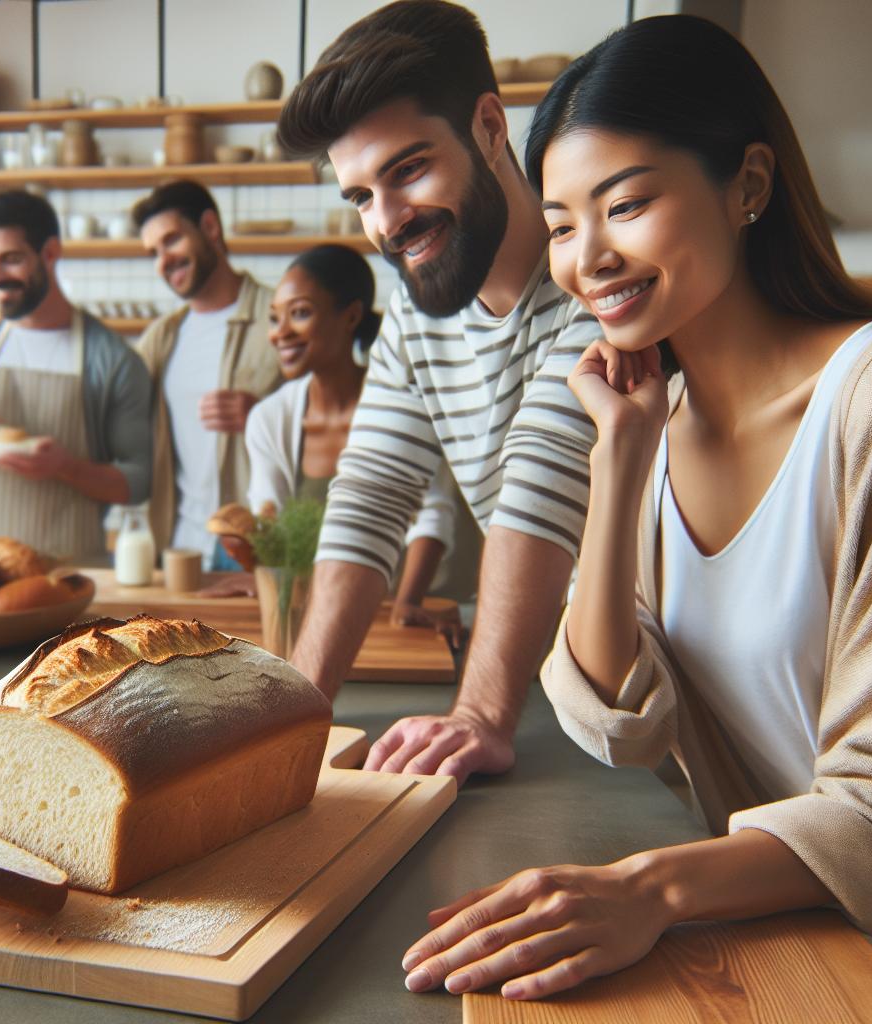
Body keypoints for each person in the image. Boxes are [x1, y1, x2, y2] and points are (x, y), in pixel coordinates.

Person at [399, 17, 872, 1024]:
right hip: (799, 939)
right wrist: (619, 461)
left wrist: (648, 887)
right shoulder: (647, 424)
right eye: (564, 223)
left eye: (628, 203)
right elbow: (610, 717)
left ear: (748, 184)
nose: (588, 257)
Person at [275, 0, 601, 782]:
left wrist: (480, 713)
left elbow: (539, 492)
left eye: (408, 170)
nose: (387, 223)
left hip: (663, 714)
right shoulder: (420, 321)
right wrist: (294, 710)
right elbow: (371, 497)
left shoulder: (598, 288)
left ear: (491, 128)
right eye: (359, 196)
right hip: (581, 705)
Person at [207, 244, 463, 639]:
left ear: (351, 316)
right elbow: (271, 519)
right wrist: (260, 569)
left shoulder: (404, 404)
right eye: (275, 319)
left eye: (301, 313)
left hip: (398, 610)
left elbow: (432, 514)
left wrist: (406, 603)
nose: (280, 333)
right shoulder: (270, 419)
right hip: (315, 612)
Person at [0, 190, 153, 560]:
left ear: (50, 253)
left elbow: (138, 482)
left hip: (71, 578)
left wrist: (64, 467)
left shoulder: (113, 360)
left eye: (11, 260)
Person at [131, 180, 284, 562]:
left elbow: (337, 419)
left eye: (171, 241)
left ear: (211, 228)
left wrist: (262, 417)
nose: (162, 261)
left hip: (258, 548)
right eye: (153, 252)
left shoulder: (281, 316)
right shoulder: (160, 338)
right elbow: (106, 406)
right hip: (179, 547)